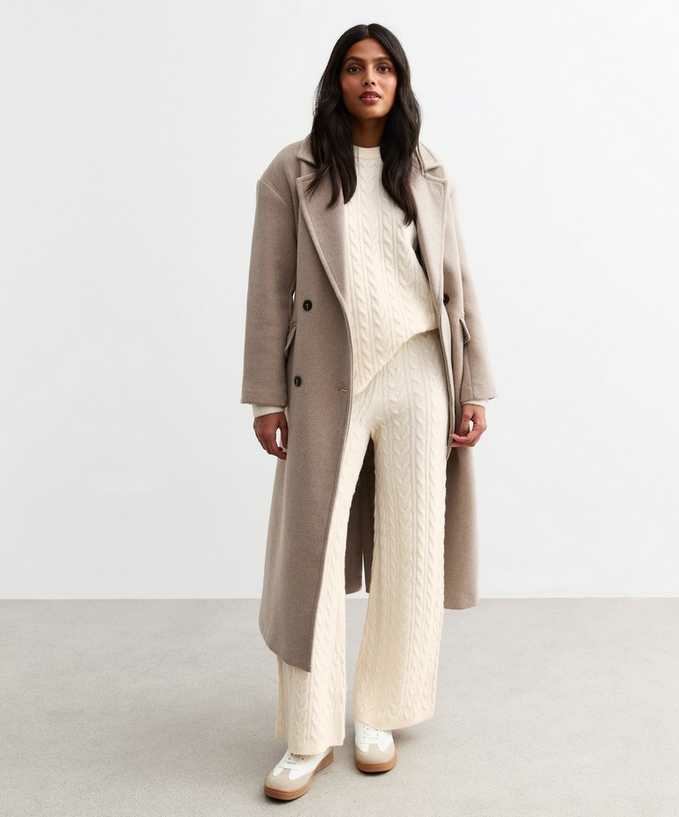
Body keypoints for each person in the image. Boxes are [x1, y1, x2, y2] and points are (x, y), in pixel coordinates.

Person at [241, 23, 497, 802]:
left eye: (384, 67)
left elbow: (457, 281)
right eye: (355, 67)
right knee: (311, 552)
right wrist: (266, 394)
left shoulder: (425, 169)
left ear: (400, 81)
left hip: (420, 368)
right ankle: (308, 731)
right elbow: (269, 288)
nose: (370, 79)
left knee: (413, 546)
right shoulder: (293, 171)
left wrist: (474, 384)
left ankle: (382, 711)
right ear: (337, 81)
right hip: (327, 376)